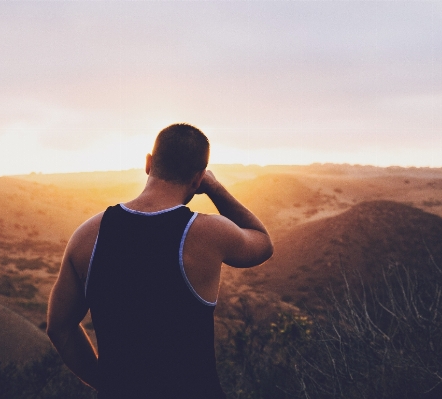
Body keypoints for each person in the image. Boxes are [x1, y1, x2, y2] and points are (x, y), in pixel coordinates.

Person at [47, 123, 273, 399]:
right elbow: (262, 242)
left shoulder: (87, 236)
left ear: (148, 163)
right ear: (198, 177)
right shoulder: (207, 233)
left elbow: (59, 328)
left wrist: (109, 386)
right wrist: (215, 188)